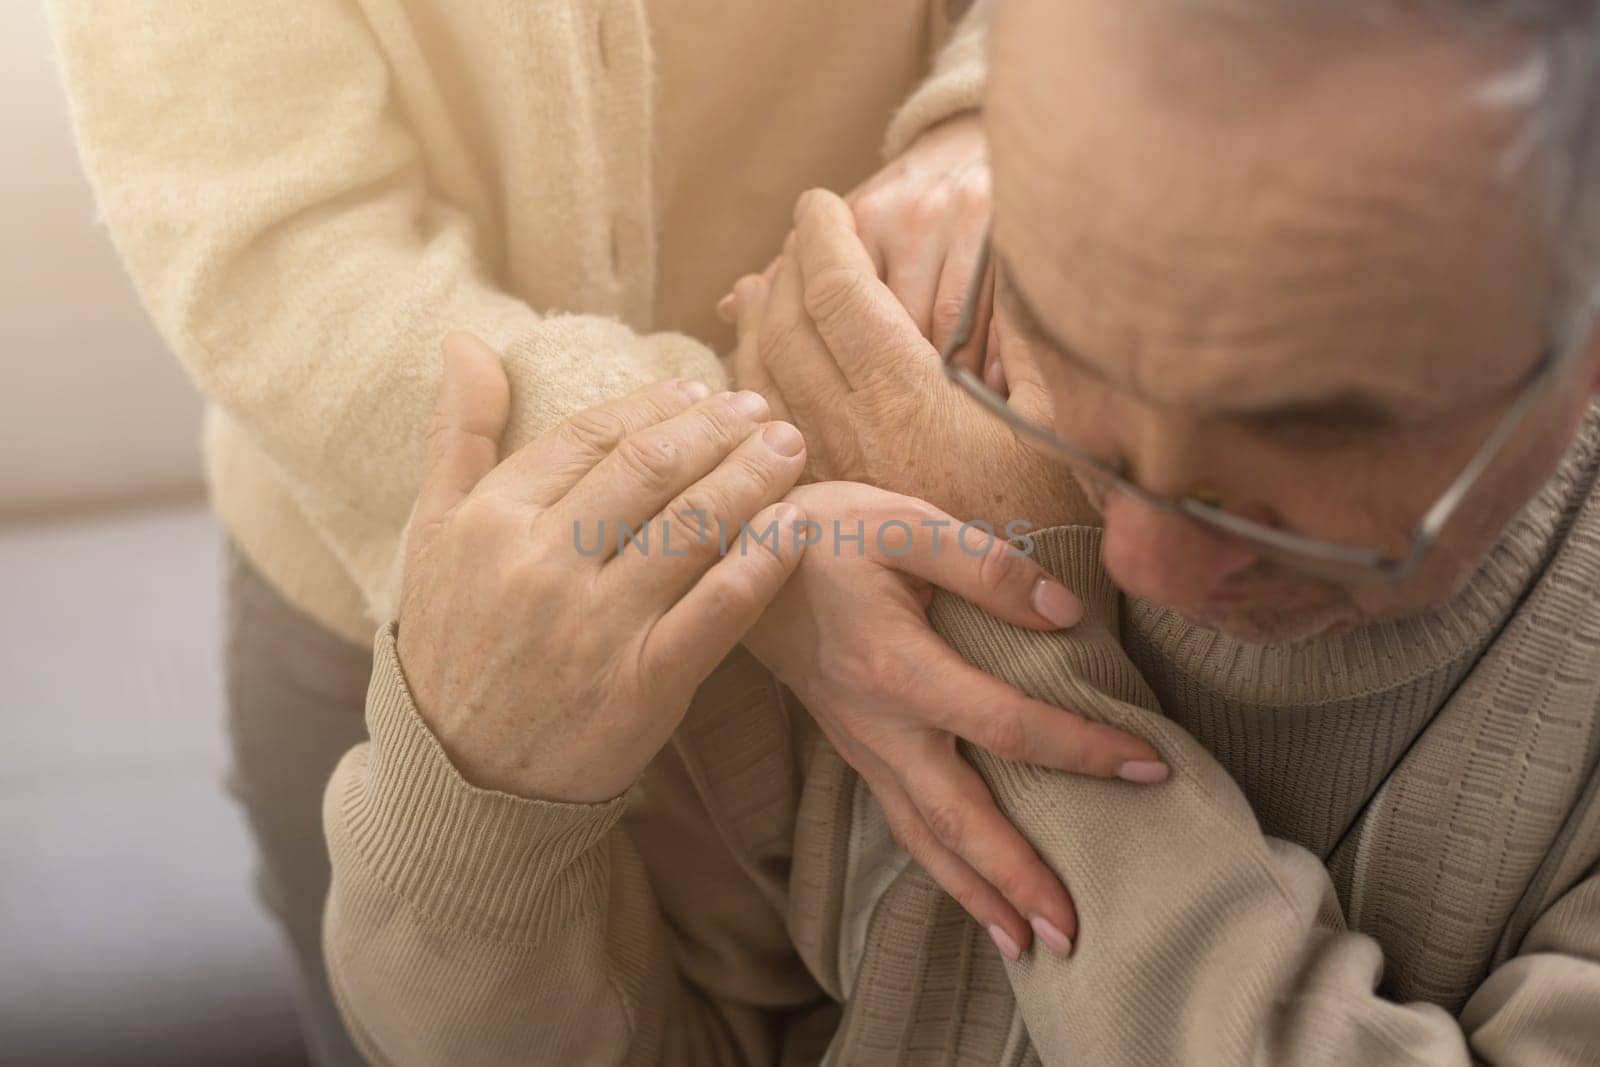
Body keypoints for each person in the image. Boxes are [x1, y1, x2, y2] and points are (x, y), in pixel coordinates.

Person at [324, 0, 1600, 1061]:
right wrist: (479, 829)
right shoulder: (877, 454)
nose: (1136, 561)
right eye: (1069, 346)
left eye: (1301, 440)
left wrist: (1020, 656)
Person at [50, 2, 1164, 1062]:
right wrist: (746, 523)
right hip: (400, 586)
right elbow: (270, 254)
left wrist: (1000, 108)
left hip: (918, 542)